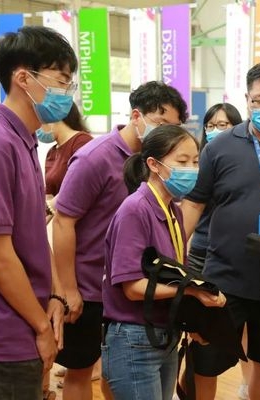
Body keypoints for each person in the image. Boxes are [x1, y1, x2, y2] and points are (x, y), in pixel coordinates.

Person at [180, 60, 260, 400]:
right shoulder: (219, 147)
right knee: (204, 359)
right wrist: (172, 254)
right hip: (224, 276)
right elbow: (193, 204)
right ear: (247, 99)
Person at [52, 81, 188, 400]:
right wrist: (68, 289)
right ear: (136, 116)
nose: (167, 134)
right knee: (80, 371)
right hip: (90, 288)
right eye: (161, 124)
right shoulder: (94, 158)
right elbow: (62, 221)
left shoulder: (160, 164)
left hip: (135, 287)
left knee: (118, 373)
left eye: (174, 128)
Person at [102, 125, 226, 400]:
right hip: (134, 338)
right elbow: (133, 288)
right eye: (182, 161)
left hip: (165, 335)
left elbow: (174, 275)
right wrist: (191, 291)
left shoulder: (173, 211)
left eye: (195, 162)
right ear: (153, 164)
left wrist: (195, 315)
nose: (191, 169)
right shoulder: (135, 209)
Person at [0, 26, 77, 399]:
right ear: (24, 78)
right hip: (4, 335)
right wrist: (41, 326)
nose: (67, 93)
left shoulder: (23, 140)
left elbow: (35, 233)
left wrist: (55, 295)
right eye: (61, 81)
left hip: (27, 321)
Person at [185, 102, 252, 399]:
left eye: (223, 125)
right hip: (200, 253)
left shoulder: (239, 162)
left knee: (244, 330)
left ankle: (247, 384)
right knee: (200, 335)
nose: (215, 131)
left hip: (230, 255)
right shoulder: (200, 161)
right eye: (210, 126)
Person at [38, 101, 92, 396]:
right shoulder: (52, 151)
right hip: (51, 234)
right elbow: (48, 195)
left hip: (74, 238)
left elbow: (70, 197)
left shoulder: (82, 145)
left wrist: (48, 208)